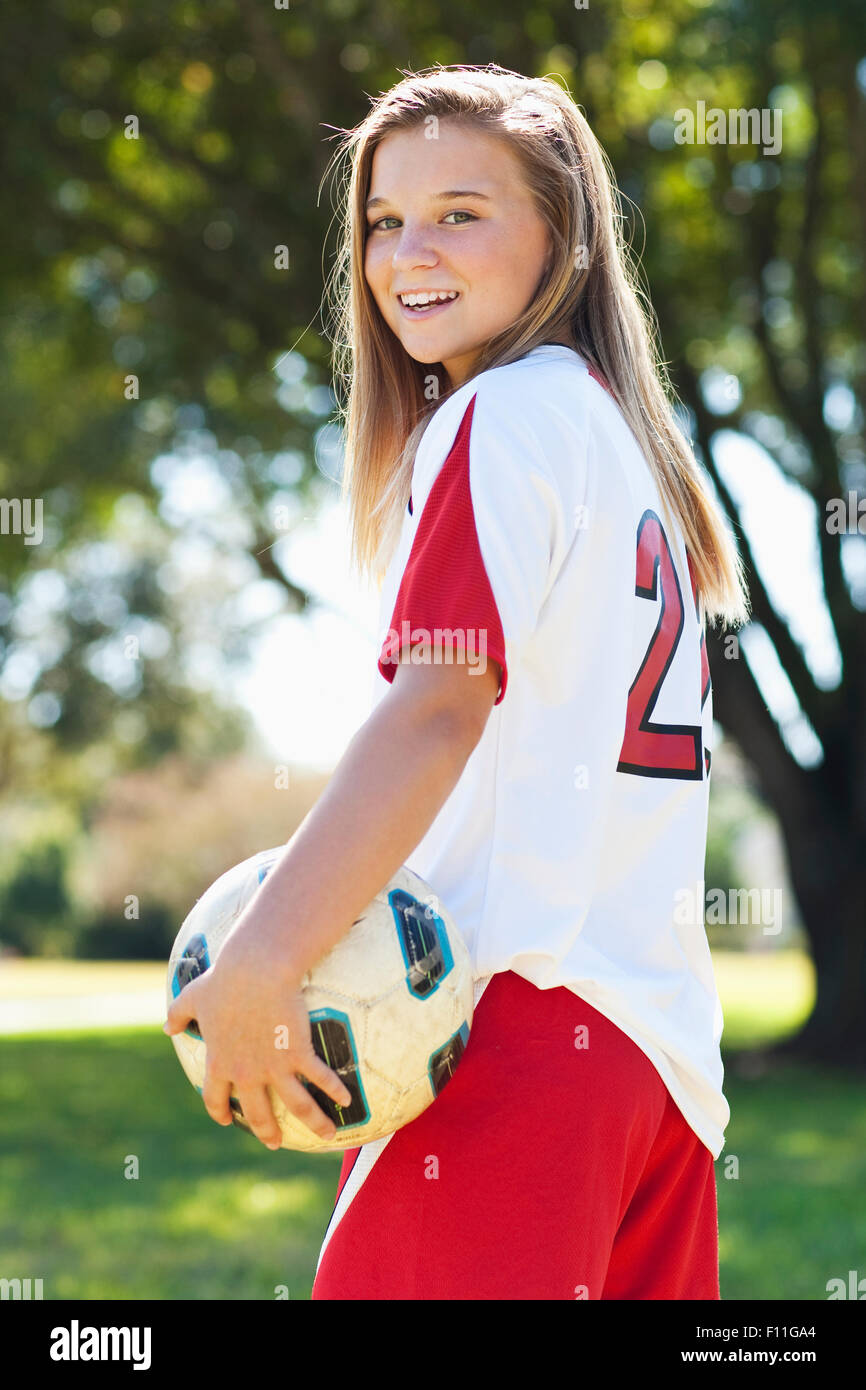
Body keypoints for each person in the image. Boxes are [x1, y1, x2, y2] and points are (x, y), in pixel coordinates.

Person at [165, 61, 749, 1301]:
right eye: (383, 220)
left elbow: (436, 706)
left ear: (566, 239)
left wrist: (270, 956)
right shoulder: (629, 451)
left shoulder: (500, 418)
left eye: (461, 212)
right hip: (654, 1077)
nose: (405, 250)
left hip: (502, 1045)